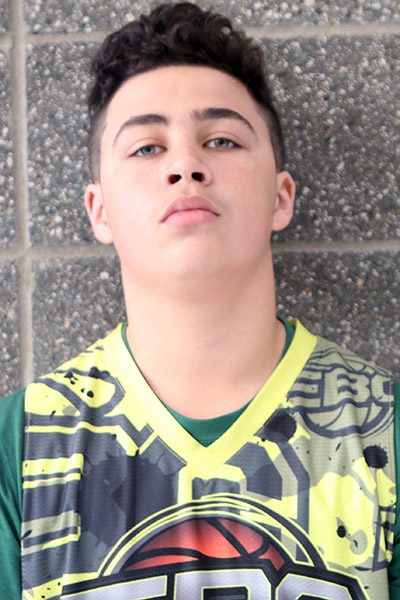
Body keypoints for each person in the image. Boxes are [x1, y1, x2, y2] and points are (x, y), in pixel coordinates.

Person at [0, 2, 399, 599]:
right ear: (99, 210)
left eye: (221, 140)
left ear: (281, 197)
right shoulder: (23, 446)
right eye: (146, 148)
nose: (186, 165)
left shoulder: (385, 434)